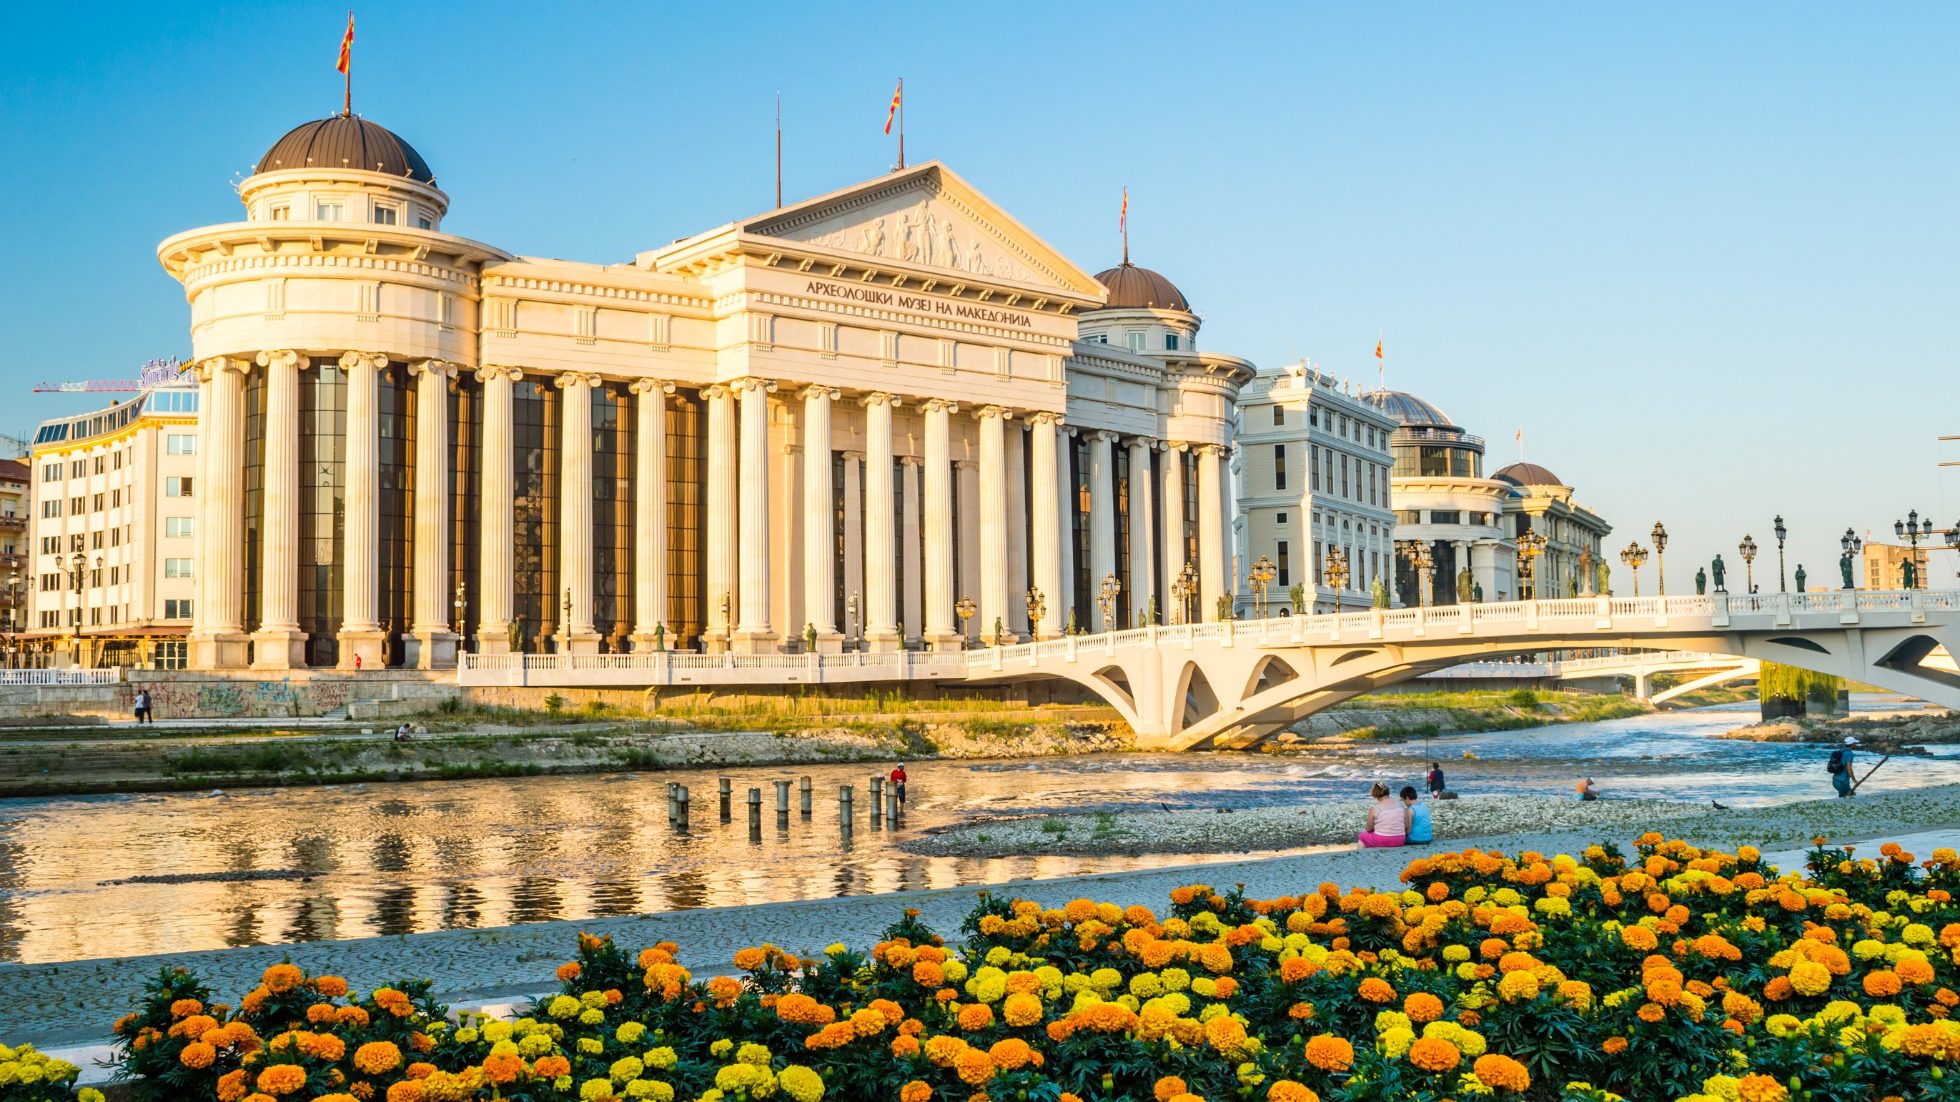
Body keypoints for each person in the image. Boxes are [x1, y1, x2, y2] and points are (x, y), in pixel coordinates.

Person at [1357, 782, 1407, 848]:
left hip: (1383, 840)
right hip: (1400, 839)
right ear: (1388, 792)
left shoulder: (1374, 809)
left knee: (1363, 836)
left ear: (1375, 794)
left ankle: (1360, 855)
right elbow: (1406, 825)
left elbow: (1368, 829)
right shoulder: (1400, 805)